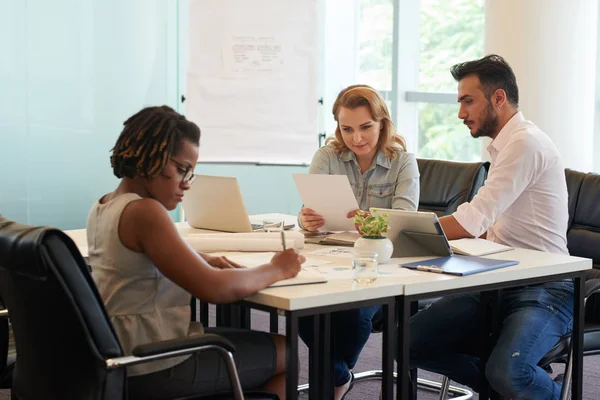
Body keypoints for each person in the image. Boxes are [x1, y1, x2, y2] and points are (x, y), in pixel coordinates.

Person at [87, 105, 305, 400]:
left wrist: (203, 260)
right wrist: (278, 268)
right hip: (154, 364)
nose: (186, 183)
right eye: (181, 169)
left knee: (264, 347)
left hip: (119, 356)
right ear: (152, 157)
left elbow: (138, 261)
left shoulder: (107, 204)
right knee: (288, 352)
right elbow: (214, 289)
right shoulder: (145, 212)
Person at [410, 54, 571, 400]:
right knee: (407, 343)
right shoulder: (503, 147)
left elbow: (473, 219)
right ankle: (504, 389)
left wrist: (405, 231)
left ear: (498, 98)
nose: (460, 113)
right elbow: (487, 227)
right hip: (498, 278)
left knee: (510, 371)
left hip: (545, 286)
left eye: (468, 101)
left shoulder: (524, 143)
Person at [298, 84, 420, 399]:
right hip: (330, 259)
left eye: (366, 127)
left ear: (382, 123)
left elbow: (405, 222)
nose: (357, 138)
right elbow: (308, 212)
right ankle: (340, 375)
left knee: (353, 313)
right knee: (304, 310)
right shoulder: (327, 156)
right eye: (347, 129)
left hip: (380, 267)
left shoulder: (403, 162)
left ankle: (335, 379)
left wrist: (369, 220)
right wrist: (305, 220)